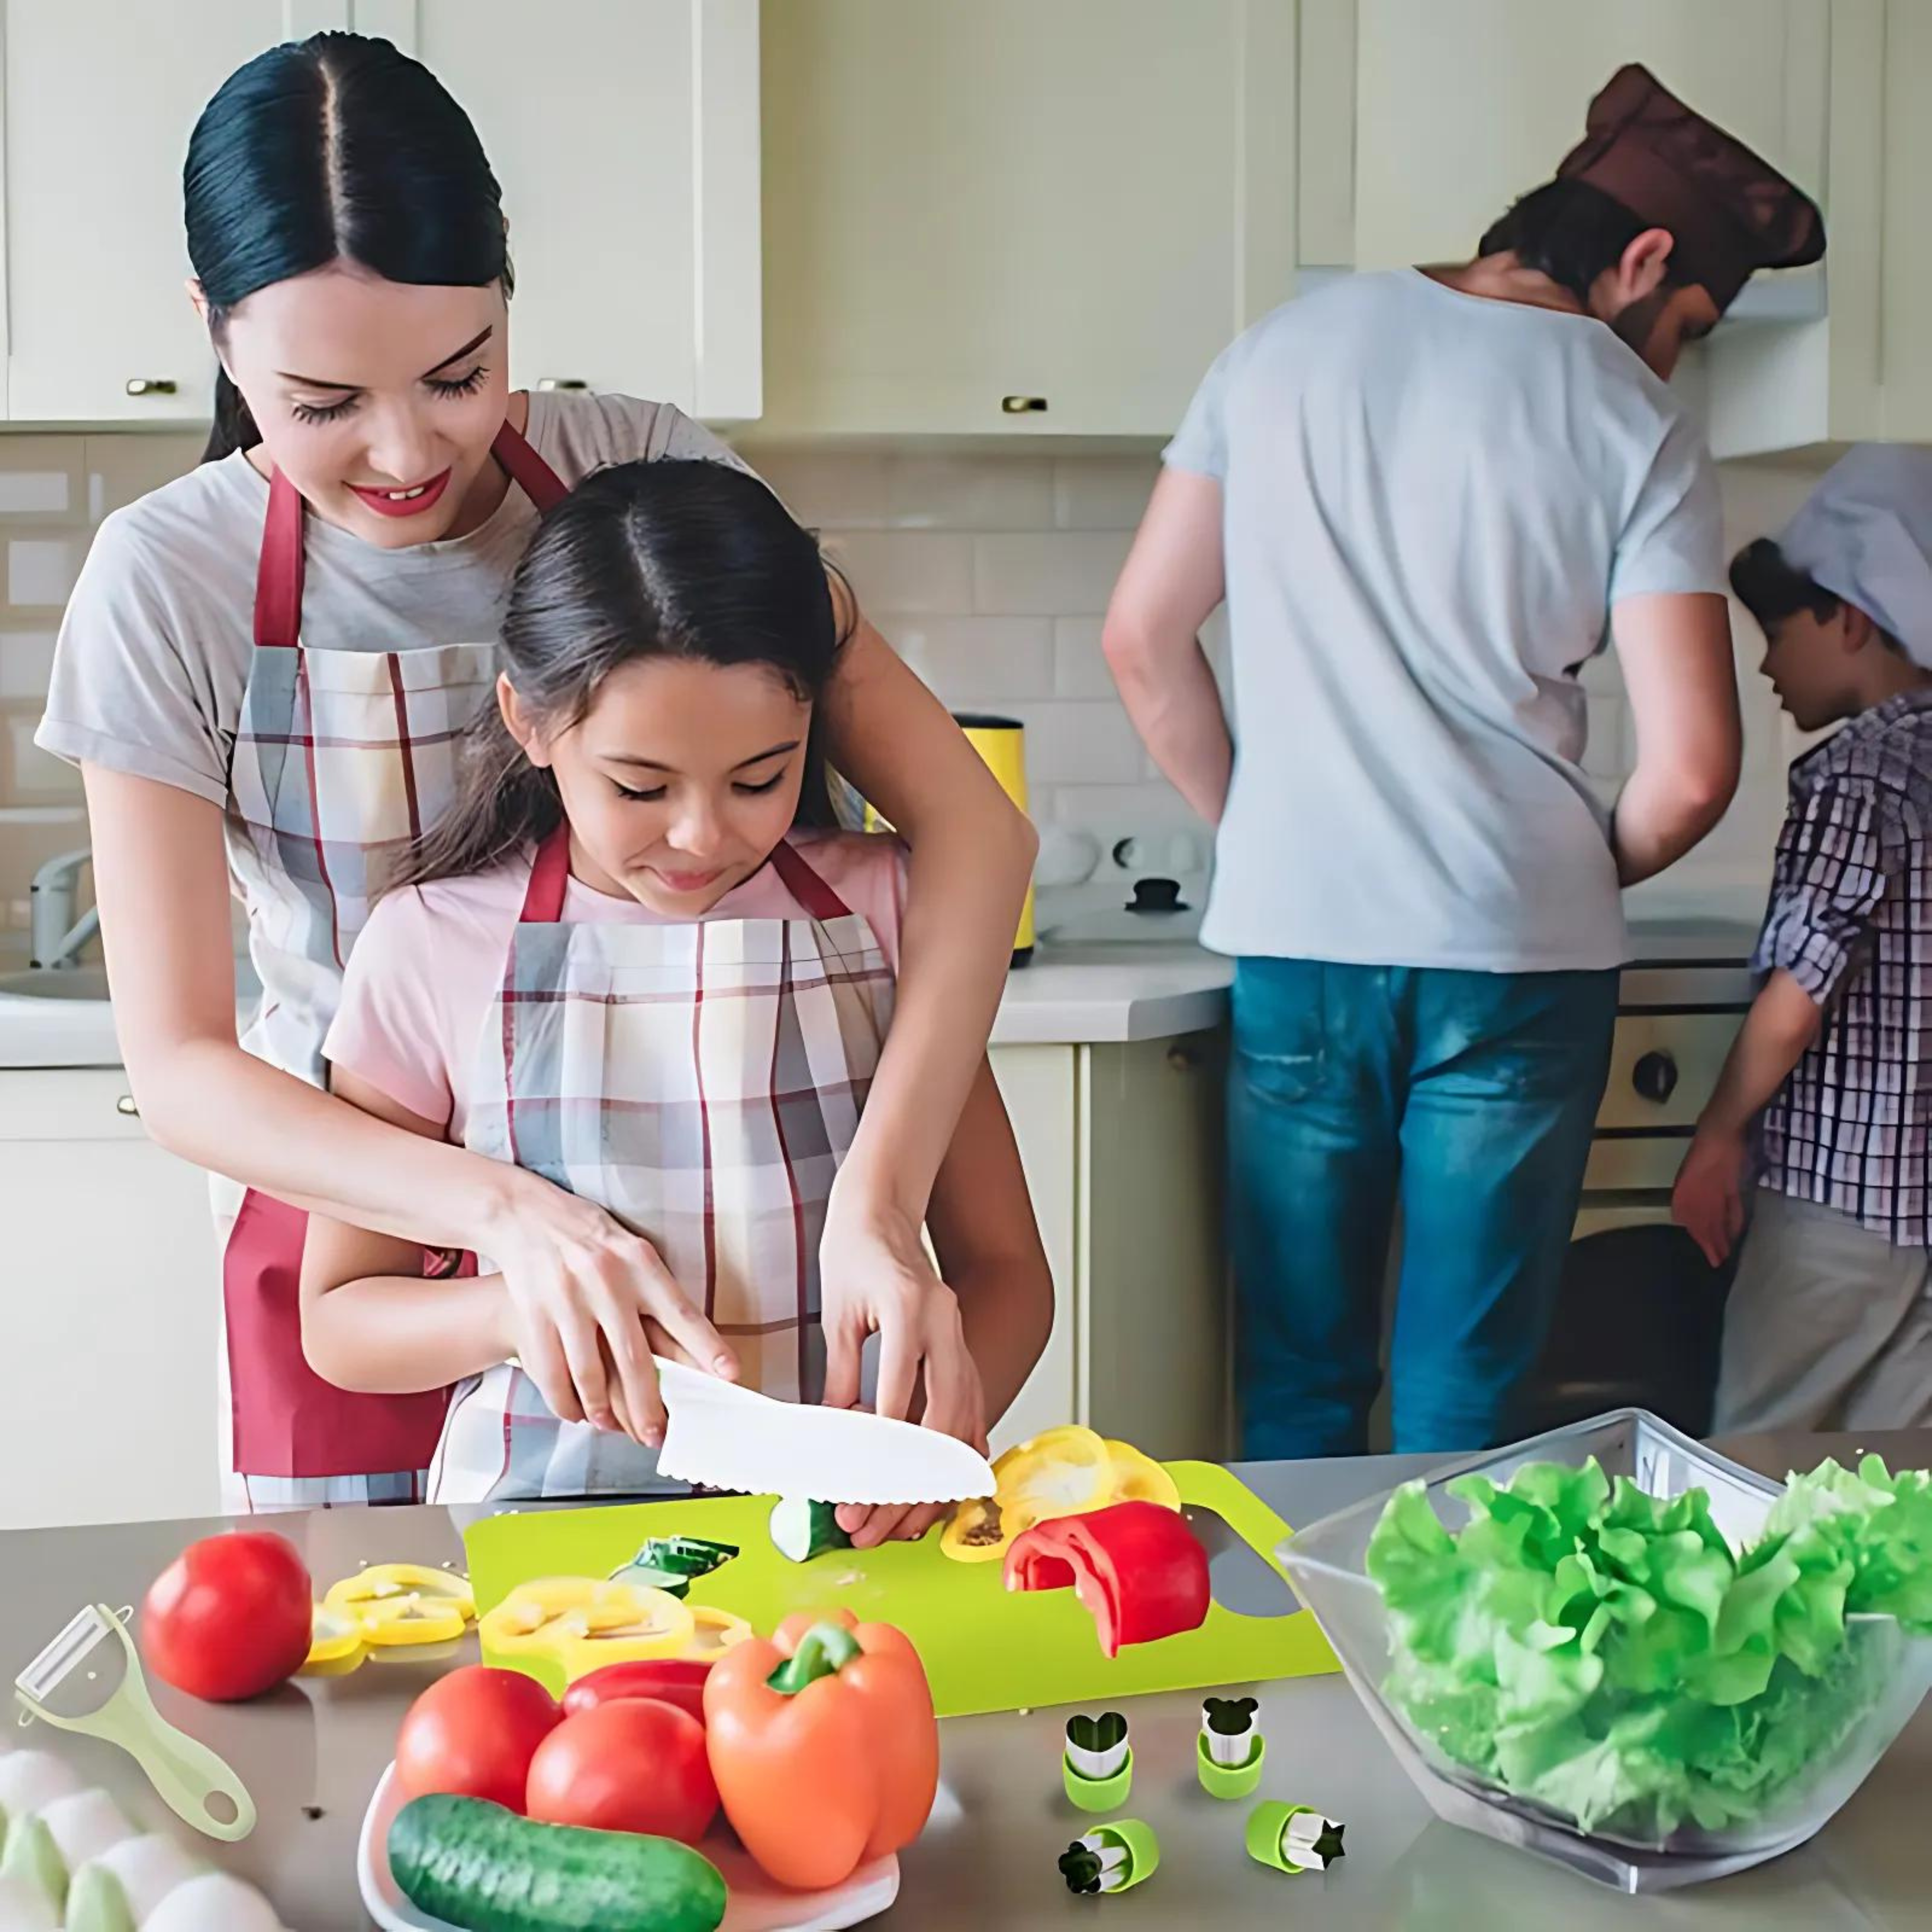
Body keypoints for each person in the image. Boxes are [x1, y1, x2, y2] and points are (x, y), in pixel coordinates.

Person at [34, 33, 1036, 1512]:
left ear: (510, 298)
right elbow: (181, 1068)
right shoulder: (164, 582)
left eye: (460, 375)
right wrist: (510, 1222)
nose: (403, 451)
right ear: (216, 331)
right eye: (319, 404)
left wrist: (877, 1202)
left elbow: (969, 830)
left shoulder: (643, 475)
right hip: (362, 1217)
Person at [1101, 65, 1823, 1458]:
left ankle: (1291, 1668)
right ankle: (1450, 1679)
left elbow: (1144, 640)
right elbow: (1691, 775)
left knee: (1300, 1375)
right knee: (1466, 1391)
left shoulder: (1280, 349)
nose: (1673, 356)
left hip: (1302, 934)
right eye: (1687, 325)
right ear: (1645, 258)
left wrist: (1266, 829)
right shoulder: (1635, 419)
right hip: (1518, 955)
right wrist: (1551, 865)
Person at [299, 460, 1053, 1524]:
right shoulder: (433, 944)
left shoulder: (889, 918)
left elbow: (1008, 1268)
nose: (704, 836)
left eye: (761, 778)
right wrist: (513, 1310)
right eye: (639, 787)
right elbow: (339, 1319)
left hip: (834, 1532)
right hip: (544, 1539)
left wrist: (927, 1431)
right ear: (529, 721)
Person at [1675, 447, 1932, 1432]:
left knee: (1759, 1454)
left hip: (1837, 1208)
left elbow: (1801, 989)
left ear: (1851, 618)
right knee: (1897, 1490)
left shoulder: (1856, 778)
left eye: (1779, 632)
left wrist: (1717, 1134)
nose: (1767, 665)